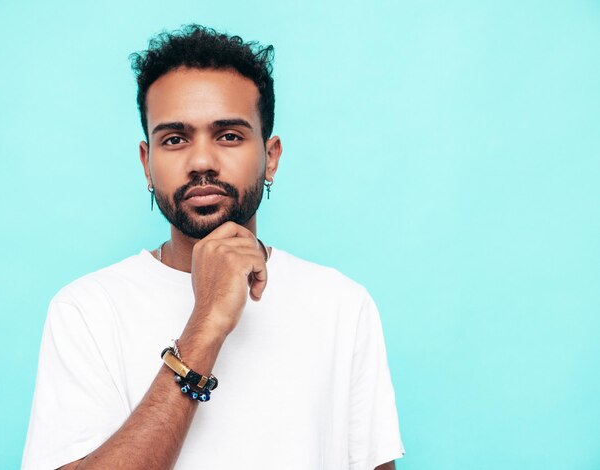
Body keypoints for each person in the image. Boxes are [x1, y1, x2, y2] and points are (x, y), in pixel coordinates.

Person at [22, 24, 404, 470]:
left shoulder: (342, 304)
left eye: (229, 135)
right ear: (147, 164)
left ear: (271, 156)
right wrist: (205, 326)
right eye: (175, 139)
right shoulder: (85, 310)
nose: (201, 161)